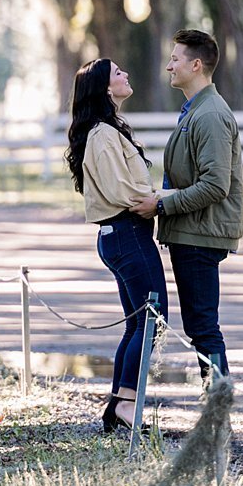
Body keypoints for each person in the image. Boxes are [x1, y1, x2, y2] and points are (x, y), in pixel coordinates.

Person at [134, 28, 243, 397]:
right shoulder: (195, 110)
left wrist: (162, 204)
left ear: (196, 65)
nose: (168, 66)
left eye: (175, 59)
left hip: (200, 234)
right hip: (190, 231)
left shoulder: (210, 114)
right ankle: (216, 405)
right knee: (201, 324)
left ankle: (218, 409)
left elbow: (215, 185)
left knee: (203, 326)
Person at [66, 58, 165, 434]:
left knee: (139, 323)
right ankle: (126, 403)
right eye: (118, 72)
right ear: (106, 88)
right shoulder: (102, 135)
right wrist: (158, 199)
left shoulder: (107, 130)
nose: (126, 75)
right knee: (154, 320)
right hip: (126, 233)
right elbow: (120, 191)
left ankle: (118, 405)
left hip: (124, 235)